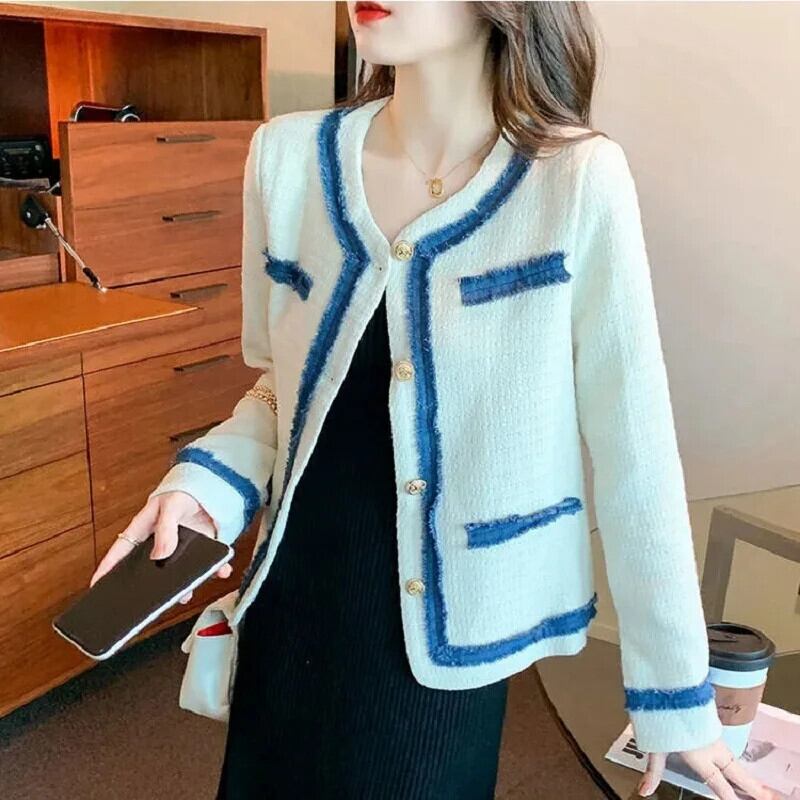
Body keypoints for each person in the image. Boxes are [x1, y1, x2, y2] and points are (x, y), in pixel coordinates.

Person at [90, 2, 778, 798]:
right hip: (294, 599)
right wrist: (204, 487)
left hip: (452, 631)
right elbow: (284, 389)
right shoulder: (287, 158)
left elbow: (636, 450)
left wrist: (675, 696)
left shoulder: (575, 179)